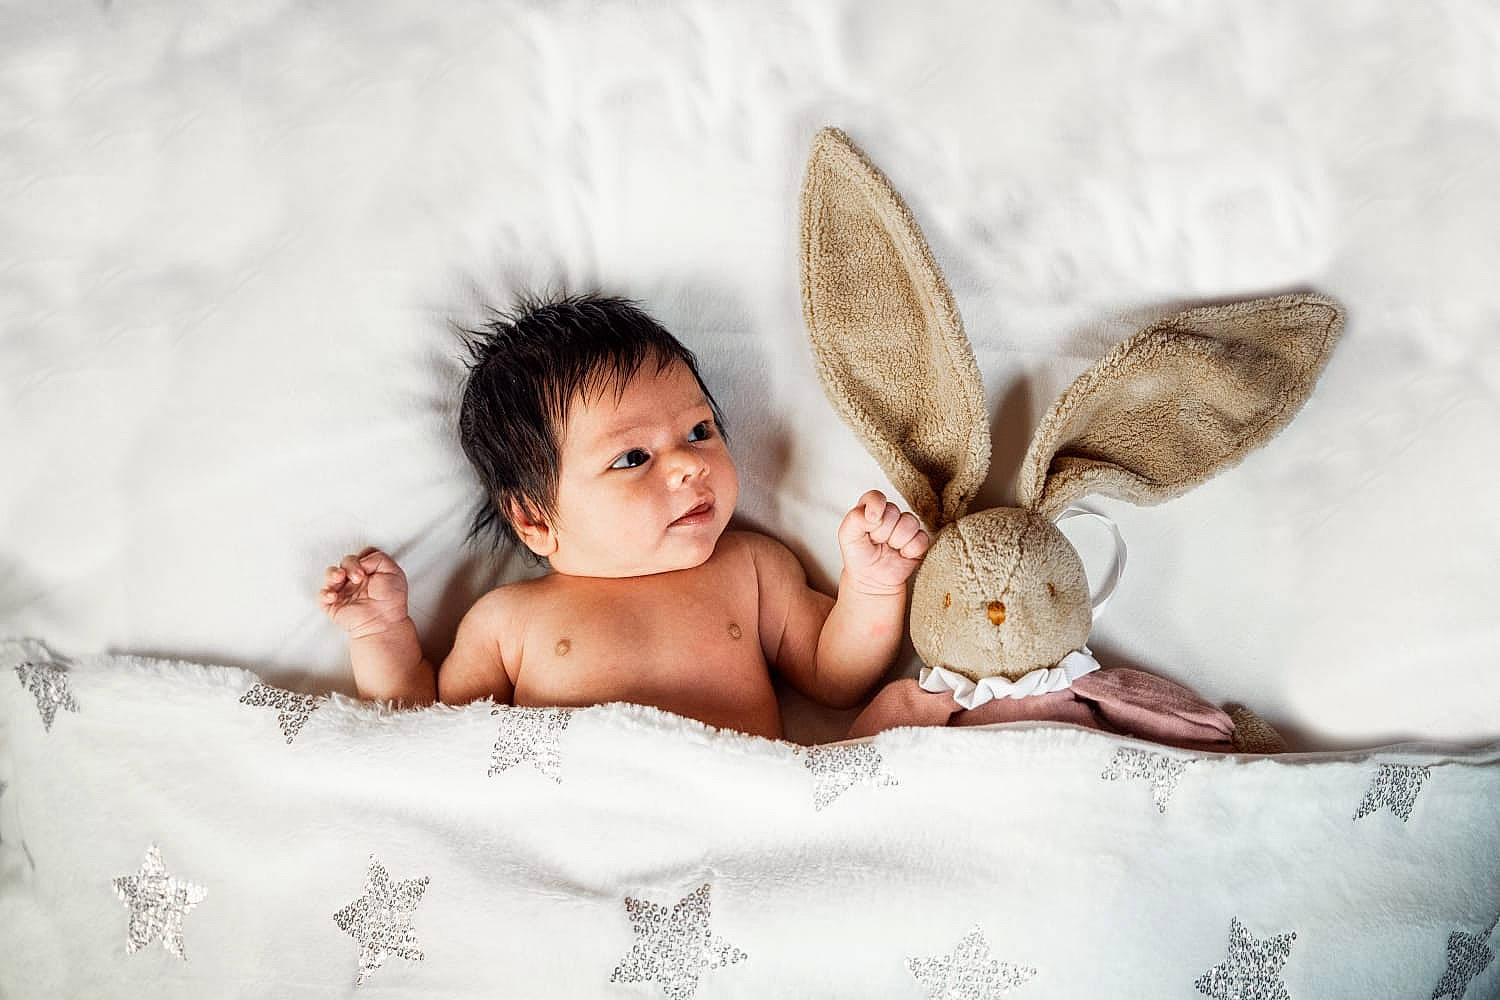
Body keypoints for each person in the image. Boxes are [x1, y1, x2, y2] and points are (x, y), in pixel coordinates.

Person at [317, 293, 930, 740]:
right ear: (535, 521)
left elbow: (835, 677)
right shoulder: (508, 622)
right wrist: (380, 635)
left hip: (735, 818)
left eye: (699, 430)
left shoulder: (751, 569)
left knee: (903, 717)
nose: (689, 465)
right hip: (584, 828)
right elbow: (424, 740)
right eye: (633, 457)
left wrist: (872, 586)